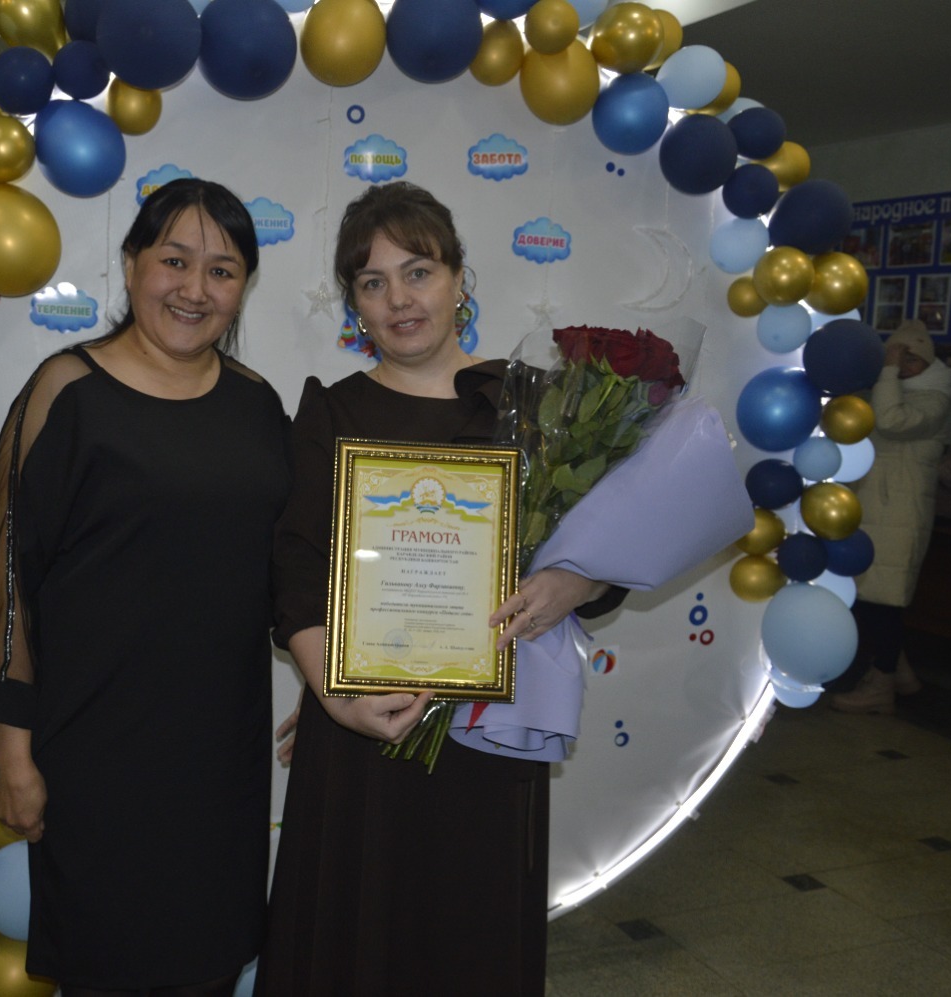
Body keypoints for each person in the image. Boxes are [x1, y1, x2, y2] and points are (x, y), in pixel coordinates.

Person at [256, 182, 623, 996]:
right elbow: (294, 568)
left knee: (467, 936)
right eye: (373, 282)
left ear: (460, 278)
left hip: (488, 735)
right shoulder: (331, 412)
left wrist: (572, 581)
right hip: (361, 734)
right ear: (355, 303)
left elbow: (598, 557)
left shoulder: (533, 405)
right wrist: (331, 689)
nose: (399, 299)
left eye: (417, 271)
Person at [0, 178, 291, 996]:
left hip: (220, 751)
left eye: (222, 270)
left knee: (210, 959)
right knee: (108, 964)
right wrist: (14, 751)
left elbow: (294, 563)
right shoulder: (67, 390)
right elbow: (11, 575)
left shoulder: (258, 405)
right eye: (174, 261)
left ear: (244, 286)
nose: (195, 289)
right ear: (130, 264)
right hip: (96, 750)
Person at [830, 319, 951, 713]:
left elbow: (890, 421)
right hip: (878, 510)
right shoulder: (891, 391)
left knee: (884, 601)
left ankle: (881, 686)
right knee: (872, 596)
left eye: (911, 359)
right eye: (898, 357)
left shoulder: (934, 398)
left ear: (928, 363)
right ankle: (900, 674)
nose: (902, 367)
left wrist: (885, 372)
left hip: (900, 513)